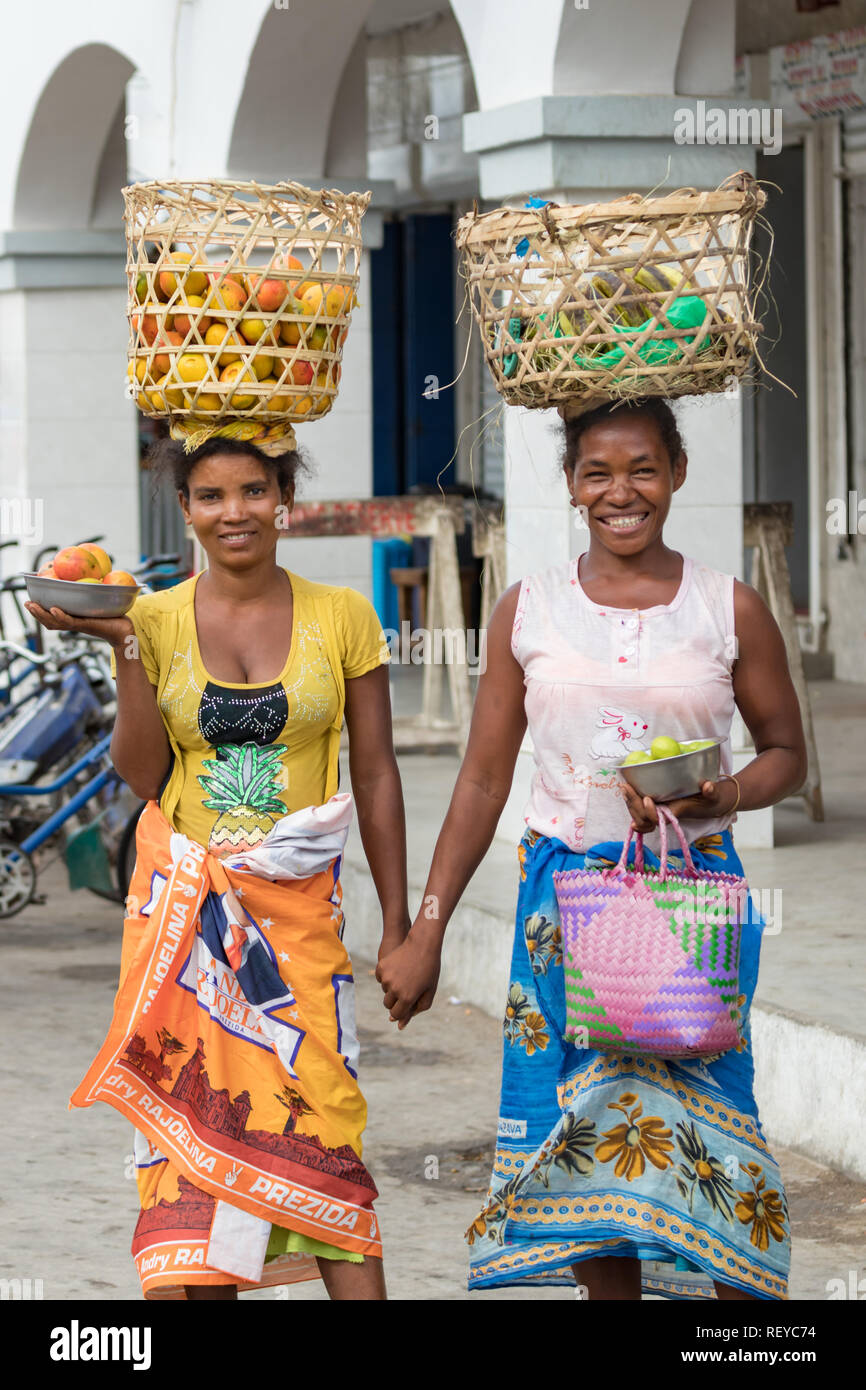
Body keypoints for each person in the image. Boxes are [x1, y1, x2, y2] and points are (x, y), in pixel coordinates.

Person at [376, 398, 806, 1300]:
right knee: (580, 1142)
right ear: (572, 484)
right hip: (561, 912)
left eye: (643, 469)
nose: (622, 493)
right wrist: (428, 925)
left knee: (721, 1129)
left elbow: (787, 755)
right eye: (598, 473)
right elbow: (484, 783)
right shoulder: (529, 610)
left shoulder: (726, 607)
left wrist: (719, 795)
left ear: (678, 472)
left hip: (689, 903)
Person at [27, 434, 408, 1300]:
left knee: (325, 1131)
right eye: (209, 496)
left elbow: (379, 774)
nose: (233, 511)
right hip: (186, 927)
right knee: (196, 1154)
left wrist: (405, 926)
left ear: (284, 499)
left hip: (301, 925)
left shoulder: (342, 615)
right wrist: (121, 645)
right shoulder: (153, 618)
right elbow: (142, 776)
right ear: (187, 509)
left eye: (252, 491)